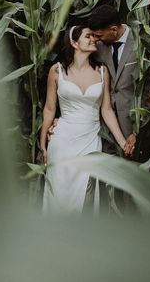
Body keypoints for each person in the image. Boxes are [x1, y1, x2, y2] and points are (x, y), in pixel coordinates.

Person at [40, 25, 129, 214]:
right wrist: (43, 145)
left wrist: (123, 142)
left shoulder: (102, 72)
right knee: (59, 196)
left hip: (89, 141)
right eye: (88, 36)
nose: (93, 39)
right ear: (74, 42)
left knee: (86, 198)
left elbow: (106, 110)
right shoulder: (56, 71)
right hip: (62, 141)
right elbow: (49, 109)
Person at [88, 4, 150, 157]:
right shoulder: (98, 48)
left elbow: (149, 90)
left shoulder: (142, 43)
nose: (95, 40)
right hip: (105, 128)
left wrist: (138, 131)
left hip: (133, 123)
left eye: (99, 35)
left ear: (113, 30)